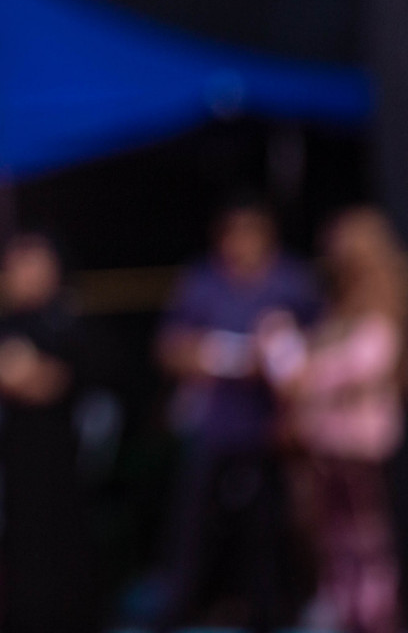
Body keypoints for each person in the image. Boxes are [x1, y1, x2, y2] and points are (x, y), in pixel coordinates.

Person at [153, 198, 319, 632]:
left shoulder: (292, 283)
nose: (238, 245)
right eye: (230, 235)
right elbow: (169, 349)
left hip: (273, 434)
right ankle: (183, 612)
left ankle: (274, 615)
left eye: (249, 235)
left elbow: (320, 350)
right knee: (195, 536)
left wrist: (282, 356)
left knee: (269, 540)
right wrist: (213, 355)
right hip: (213, 433)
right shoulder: (203, 282)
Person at [259, 207, 408, 633]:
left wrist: (306, 374)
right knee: (334, 542)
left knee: (369, 541)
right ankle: (346, 614)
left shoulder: (383, 308)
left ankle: (376, 617)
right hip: (326, 445)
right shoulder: (334, 309)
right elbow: (300, 371)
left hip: (365, 446)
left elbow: (363, 365)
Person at [0, 234, 99, 633]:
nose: (18, 275)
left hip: (63, 464)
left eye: (30, 263)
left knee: (62, 557)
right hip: (12, 463)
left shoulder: (67, 320)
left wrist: (28, 373)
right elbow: (1, 374)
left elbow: (51, 383)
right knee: (17, 559)